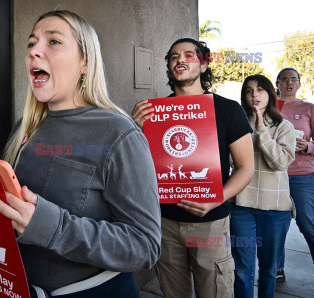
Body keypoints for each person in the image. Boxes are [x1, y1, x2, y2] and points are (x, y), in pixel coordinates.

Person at [0, 10, 162, 297]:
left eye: (53, 42)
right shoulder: (24, 127)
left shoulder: (119, 133)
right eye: (32, 43)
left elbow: (144, 247)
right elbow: (2, 207)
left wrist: (50, 226)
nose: (34, 51)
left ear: (85, 62)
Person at [131, 37, 254, 298]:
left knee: (216, 291)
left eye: (189, 55)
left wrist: (215, 199)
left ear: (203, 63)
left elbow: (246, 168)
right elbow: (135, 166)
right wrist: (135, 130)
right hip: (164, 222)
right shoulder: (154, 114)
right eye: (174, 57)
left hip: (209, 221)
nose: (180, 60)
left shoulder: (228, 110)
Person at [230, 75, 295, 298]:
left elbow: (279, 162)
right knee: (242, 269)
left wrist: (261, 130)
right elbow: (229, 161)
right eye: (249, 91)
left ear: (271, 93)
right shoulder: (236, 124)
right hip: (242, 208)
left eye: (260, 90)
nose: (254, 95)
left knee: (268, 271)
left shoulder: (284, 126)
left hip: (275, 211)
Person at [276, 68, 314, 281]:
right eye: (284, 79)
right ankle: (276, 269)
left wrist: (307, 146)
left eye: (293, 79)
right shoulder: (269, 109)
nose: (289, 83)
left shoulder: (309, 108)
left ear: (299, 84)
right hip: (275, 175)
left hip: (302, 177)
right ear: (277, 84)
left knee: (308, 224)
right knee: (276, 226)